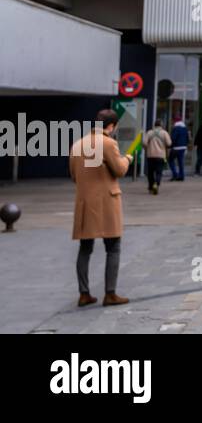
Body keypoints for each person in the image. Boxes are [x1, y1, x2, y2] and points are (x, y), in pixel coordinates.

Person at [70, 109, 132, 307]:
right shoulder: (108, 143)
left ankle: (84, 293)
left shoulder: (78, 144)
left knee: (85, 248)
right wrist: (128, 158)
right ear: (111, 126)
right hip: (106, 202)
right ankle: (110, 294)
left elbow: (74, 175)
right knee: (113, 247)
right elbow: (120, 169)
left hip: (85, 202)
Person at [142, 119, 171, 195]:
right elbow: (169, 143)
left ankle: (151, 187)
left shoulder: (149, 132)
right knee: (159, 172)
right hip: (160, 156)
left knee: (150, 172)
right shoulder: (164, 133)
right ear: (161, 125)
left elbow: (144, 143)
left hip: (150, 155)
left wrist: (148, 148)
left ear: (154, 125)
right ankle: (156, 184)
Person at [168, 117, 189, 181]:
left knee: (170, 160)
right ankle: (181, 176)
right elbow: (187, 138)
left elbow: (173, 138)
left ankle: (175, 174)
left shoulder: (175, 128)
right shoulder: (185, 129)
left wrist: (170, 146)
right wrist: (185, 145)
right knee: (180, 162)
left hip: (176, 147)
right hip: (183, 147)